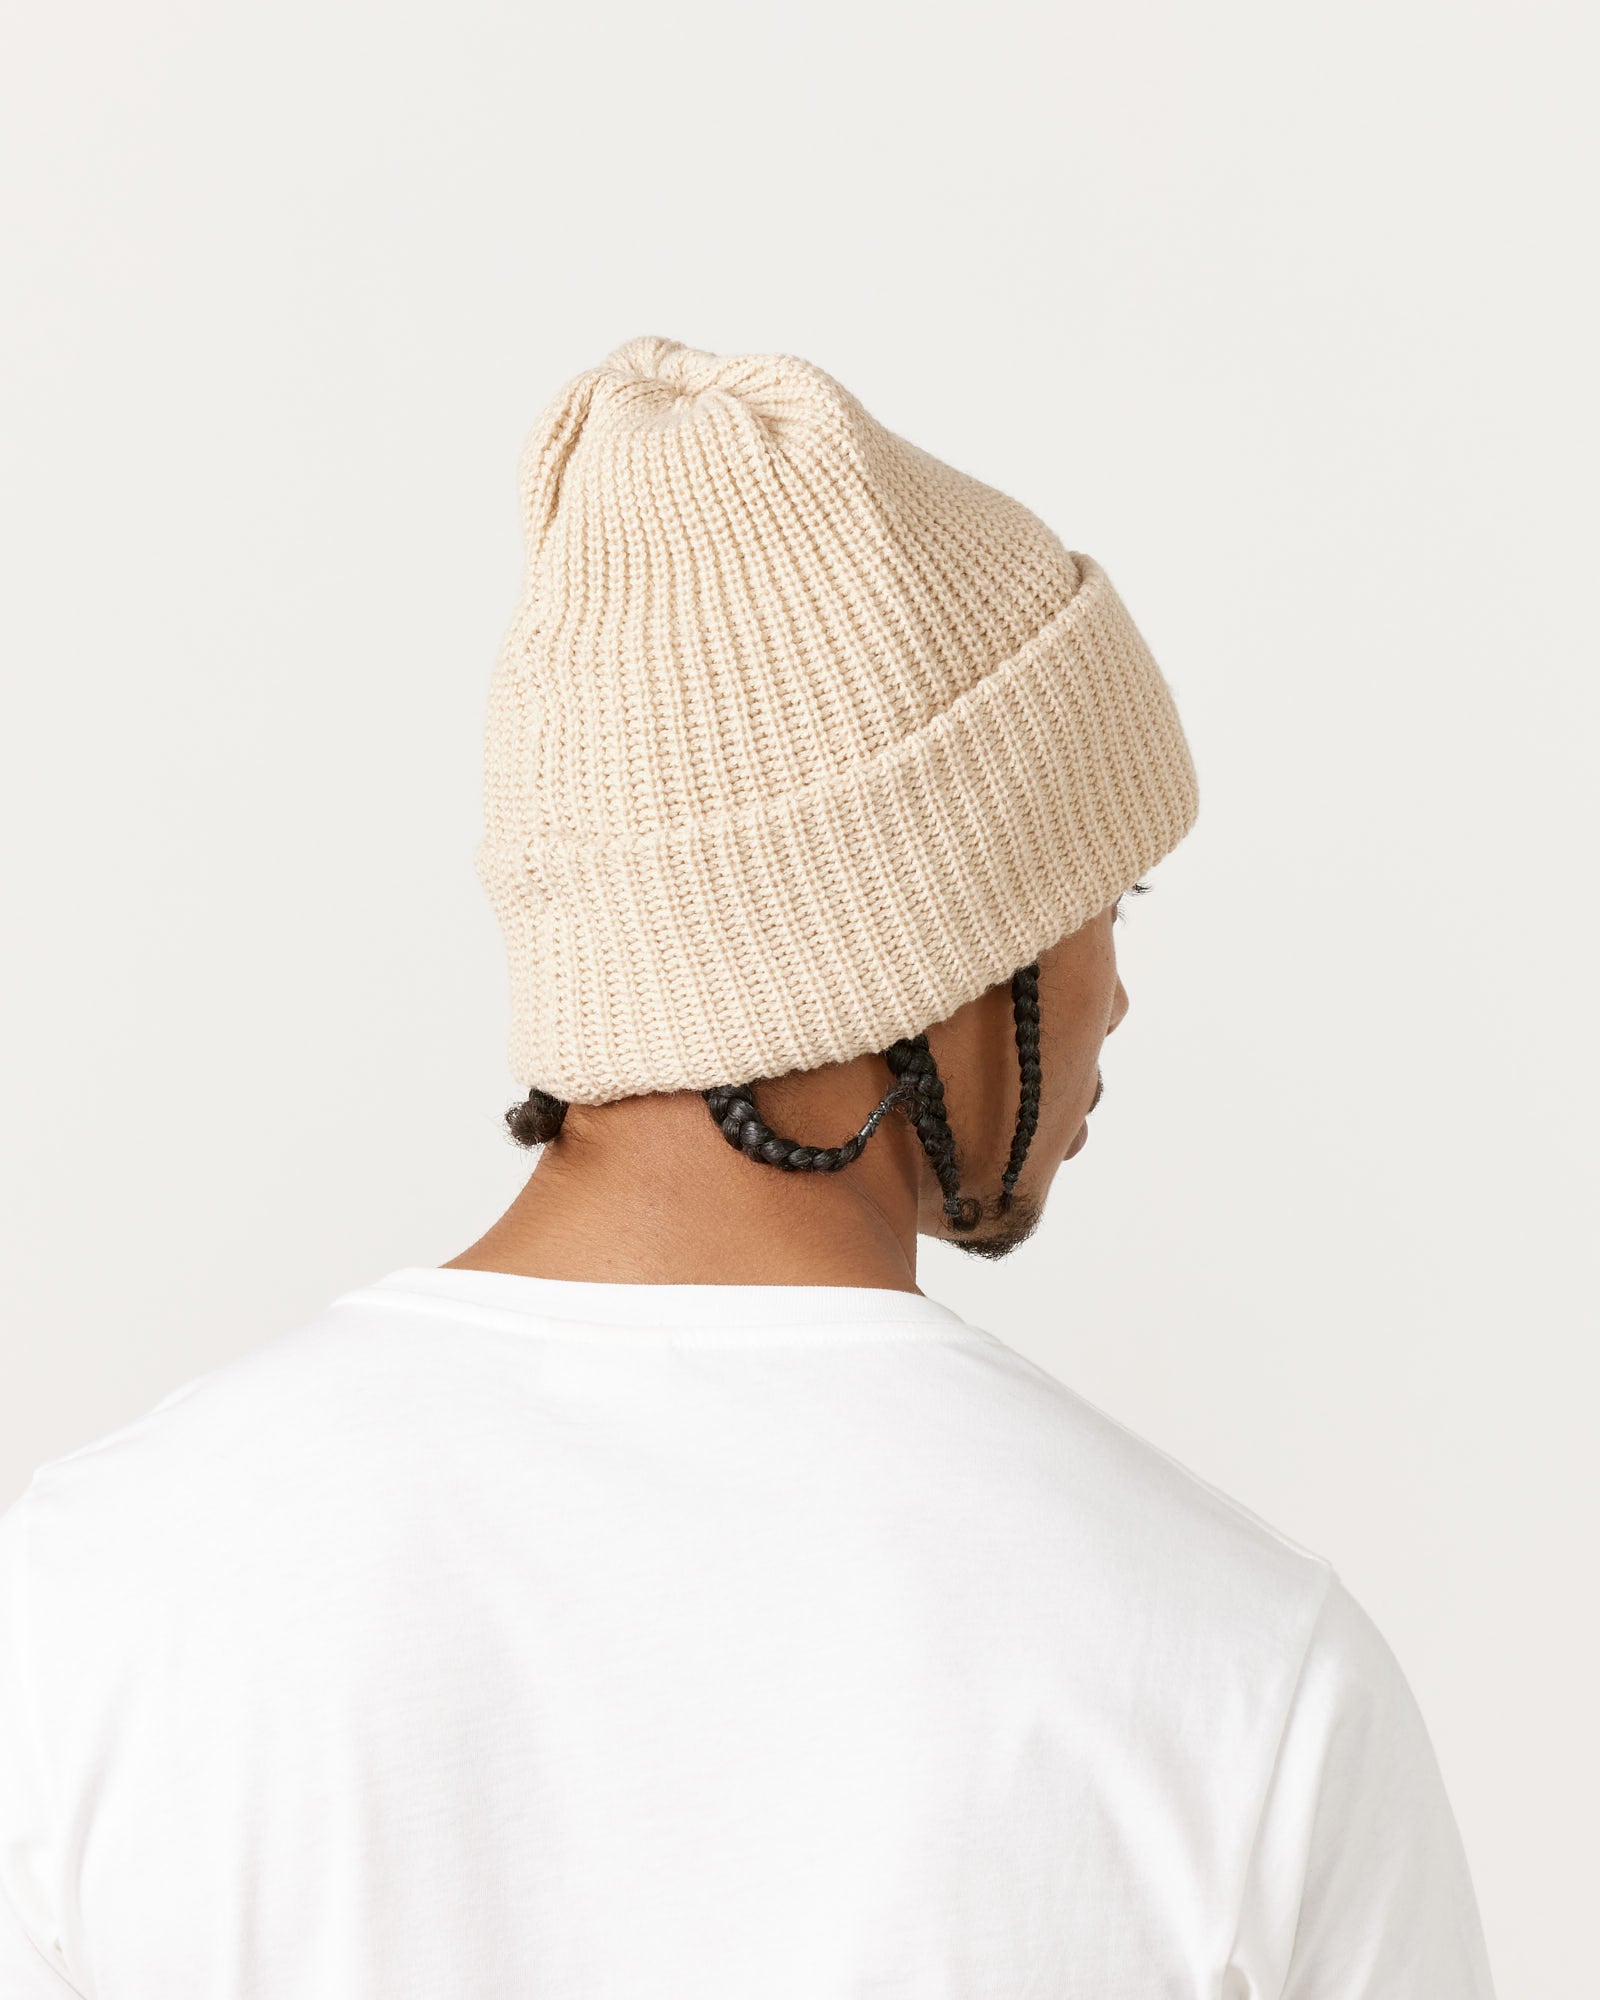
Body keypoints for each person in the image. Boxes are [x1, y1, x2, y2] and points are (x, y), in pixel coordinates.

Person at [0, 338, 1496, 1997]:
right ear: (929, 943)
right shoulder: (1241, 1679)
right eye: (1102, 900)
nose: (1115, 992)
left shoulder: (93, 1601)